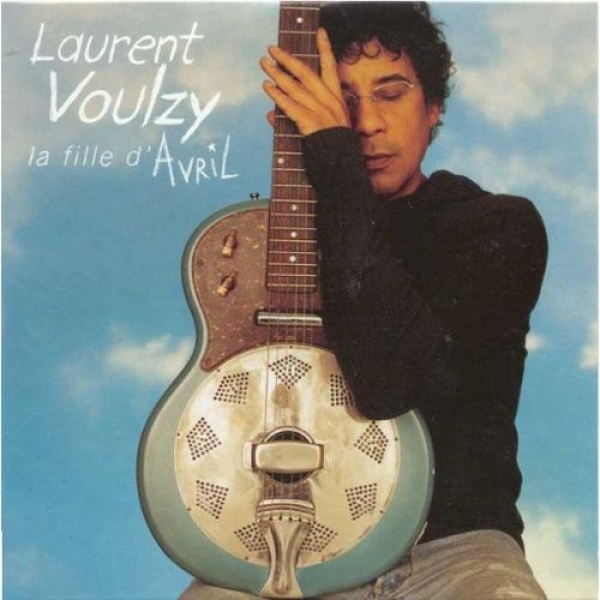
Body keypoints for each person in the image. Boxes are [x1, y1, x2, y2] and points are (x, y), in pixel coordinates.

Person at [181, 2, 548, 598]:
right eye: (340, 101)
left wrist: (334, 154)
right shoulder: (271, 246)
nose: (365, 124)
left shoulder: (498, 226)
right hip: (285, 544)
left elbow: (389, 383)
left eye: (391, 94)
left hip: (454, 554)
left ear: (434, 108)